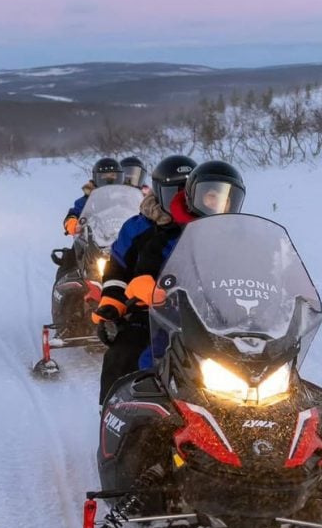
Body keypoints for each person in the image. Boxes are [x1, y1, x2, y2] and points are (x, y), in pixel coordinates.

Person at [93, 160, 246, 404]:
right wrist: (115, 302)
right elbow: (122, 268)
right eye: (173, 191)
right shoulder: (146, 231)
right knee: (124, 354)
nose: (180, 198)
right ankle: (115, 411)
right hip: (156, 314)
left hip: (214, 314)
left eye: (185, 191)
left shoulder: (226, 232)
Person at [62, 157, 123, 236]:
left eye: (113, 175)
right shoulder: (88, 200)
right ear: (96, 178)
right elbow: (75, 212)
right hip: (93, 240)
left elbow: (135, 211)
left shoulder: (125, 197)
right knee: (78, 246)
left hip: (122, 239)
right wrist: (72, 222)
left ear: (120, 177)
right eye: (104, 176)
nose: (109, 179)